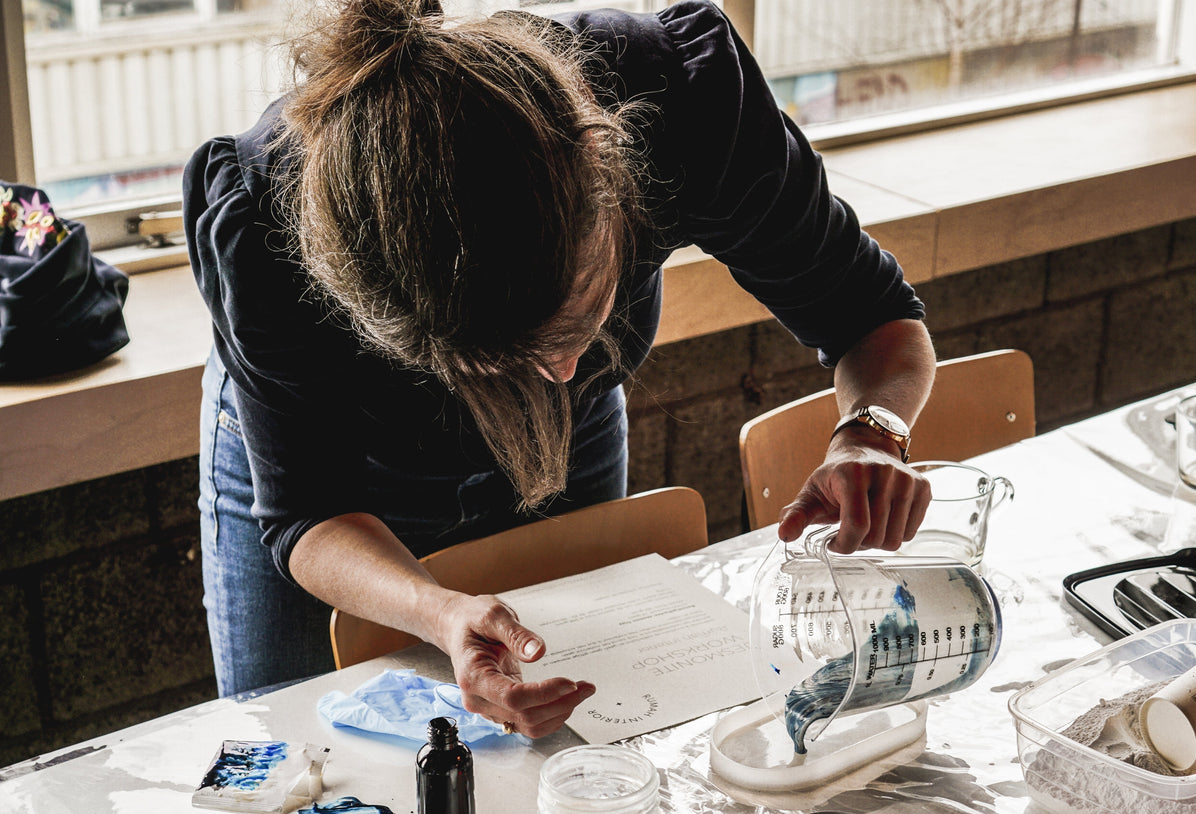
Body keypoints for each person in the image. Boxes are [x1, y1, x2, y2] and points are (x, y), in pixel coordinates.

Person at [183, 0, 936, 738]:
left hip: (573, 439)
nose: (564, 369)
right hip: (339, 478)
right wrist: (442, 612)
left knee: (580, 725)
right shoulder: (266, 223)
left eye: (582, 321)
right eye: (496, 359)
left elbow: (871, 316)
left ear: (613, 179)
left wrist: (871, 431)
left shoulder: (679, 98)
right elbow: (310, 508)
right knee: (284, 747)